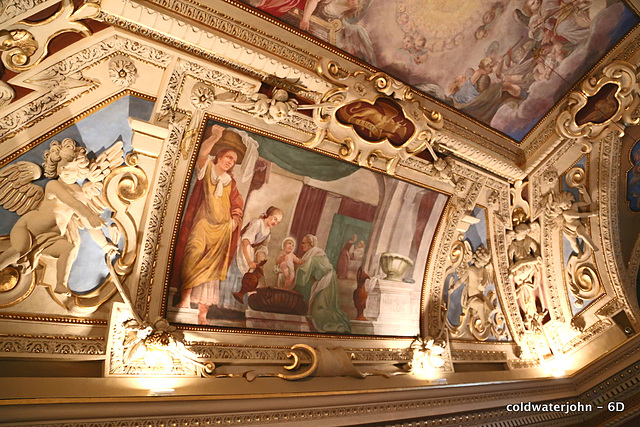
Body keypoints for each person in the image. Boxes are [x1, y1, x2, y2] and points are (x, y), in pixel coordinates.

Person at [175, 126, 245, 324]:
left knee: (212, 272)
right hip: (203, 224)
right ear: (220, 156)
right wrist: (215, 136)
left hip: (222, 230)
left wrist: (234, 219)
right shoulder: (207, 169)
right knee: (193, 256)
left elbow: (237, 204)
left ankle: (202, 313)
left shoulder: (230, 182)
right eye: (228, 157)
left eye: (233, 160)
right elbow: (202, 153)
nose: (230, 162)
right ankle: (185, 300)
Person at [219, 206, 283, 309]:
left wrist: (259, 264)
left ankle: (236, 308)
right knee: (237, 274)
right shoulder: (257, 223)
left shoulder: (268, 233)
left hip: (249, 252)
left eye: (278, 222)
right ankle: (225, 305)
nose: (275, 223)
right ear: (269, 215)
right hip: (240, 249)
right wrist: (249, 261)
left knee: (247, 278)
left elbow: (261, 249)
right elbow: (245, 241)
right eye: (275, 219)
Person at [295, 234, 351, 333]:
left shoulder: (312, 257)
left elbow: (302, 277)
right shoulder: (317, 253)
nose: (301, 245)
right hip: (330, 279)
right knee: (327, 306)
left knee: (318, 311)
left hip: (326, 281)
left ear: (310, 244)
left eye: (303, 243)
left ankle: (336, 325)